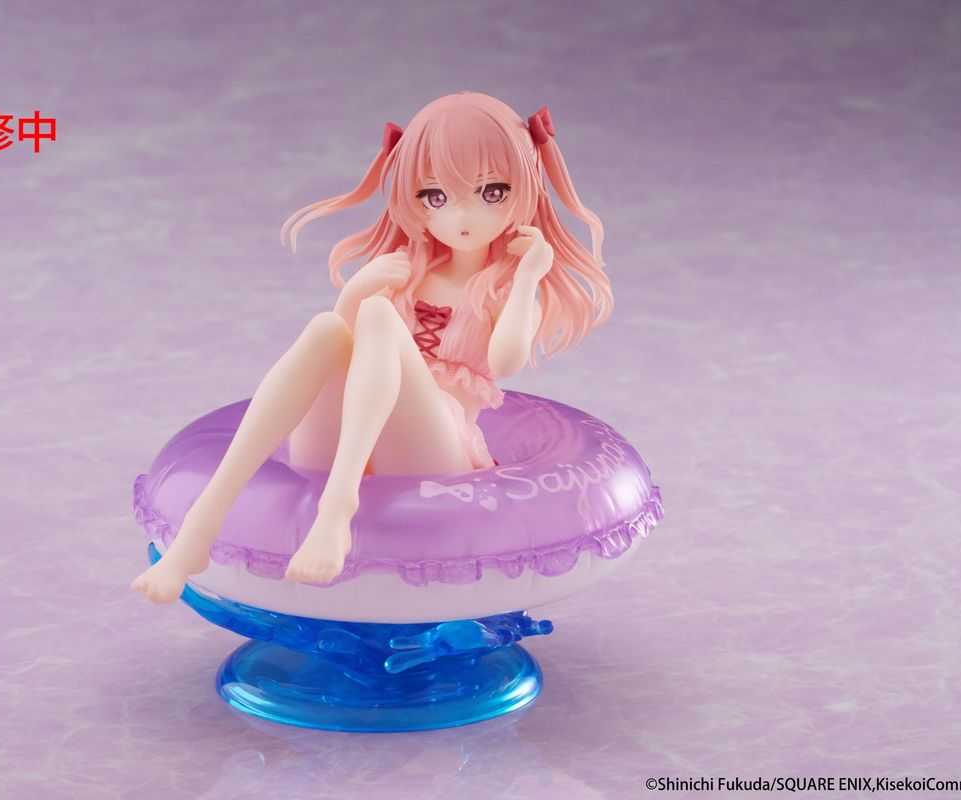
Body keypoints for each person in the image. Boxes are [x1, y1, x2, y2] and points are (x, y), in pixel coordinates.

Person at [131, 91, 612, 602]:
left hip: (436, 452)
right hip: (352, 444)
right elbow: (337, 356)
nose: (462, 216)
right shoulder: (407, 271)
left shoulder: (504, 287)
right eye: (436, 197)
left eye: (491, 192)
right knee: (328, 327)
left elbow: (506, 362)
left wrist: (528, 276)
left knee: (378, 316)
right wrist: (354, 293)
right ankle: (201, 527)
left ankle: (337, 510)